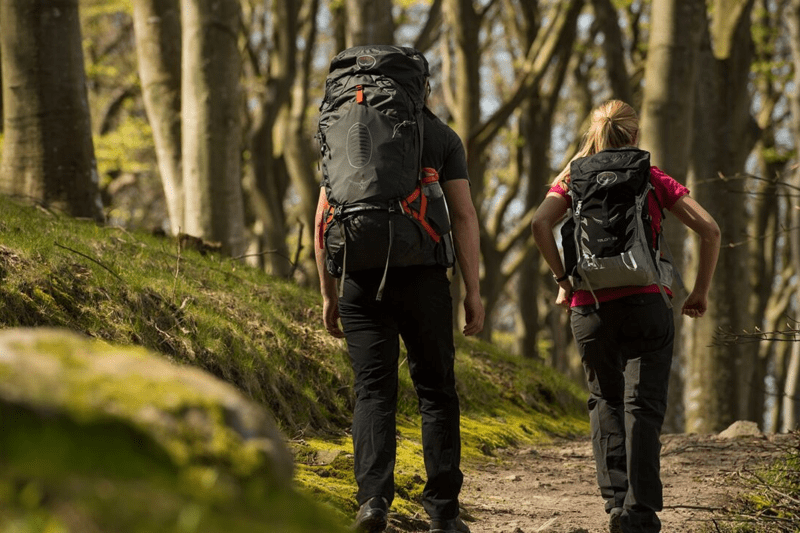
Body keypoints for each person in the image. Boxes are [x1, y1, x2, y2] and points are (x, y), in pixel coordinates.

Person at [531, 100, 720, 533]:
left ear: (593, 132)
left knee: (604, 399)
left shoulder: (572, 178)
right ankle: (641, 511)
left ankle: (616, 504)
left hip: (591, 306)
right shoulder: (649, 177)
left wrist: (563, 279)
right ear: (634, 135)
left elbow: (541, 225)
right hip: (647, 301)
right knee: (643, 404)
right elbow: (710, 230)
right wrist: (699, 292)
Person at [314, 76, 485, 533]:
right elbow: (464, 214)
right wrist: (473, 290)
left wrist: (329, 292)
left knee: (372, 391)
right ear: (421, 89)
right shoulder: (440, 136)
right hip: (423, 276)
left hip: (358, 275)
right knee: (435, 390)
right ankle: (444, 513)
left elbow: (321, 217)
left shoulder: (343, 127)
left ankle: (372, 502)